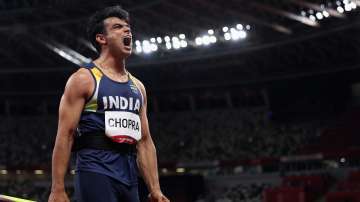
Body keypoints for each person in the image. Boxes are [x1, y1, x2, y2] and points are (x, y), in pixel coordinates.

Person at [48, 5, 169, 202]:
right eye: (118, 27)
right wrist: (57, 189)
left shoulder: (138, 87)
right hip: (95, 169)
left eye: (128, 27)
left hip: (129, 175)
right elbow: (65, 134)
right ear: (101, 38)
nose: (127, 30)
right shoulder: (84, 79)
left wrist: (155, 189)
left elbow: (145, 142)